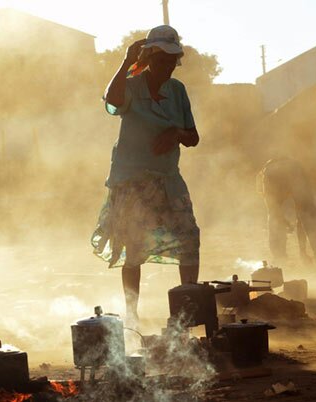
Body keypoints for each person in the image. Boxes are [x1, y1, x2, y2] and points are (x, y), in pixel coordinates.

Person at [91, 25, 200, 321]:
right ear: (149, 58)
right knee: (134, 246)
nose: (168, 66)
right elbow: (112, 102)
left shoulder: (177, 91)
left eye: (172, 60)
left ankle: (188, 311)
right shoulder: (132, 84)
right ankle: (132, 314)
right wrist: (126, 61)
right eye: (162, 59)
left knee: (188, 239)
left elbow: (193, 136)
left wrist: (175, 132)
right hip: (132, 180)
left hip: (168, 179)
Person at [258, 157, 316, 262]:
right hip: (293, 169)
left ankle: (279, 257)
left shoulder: (265, 176)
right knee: (307, 212)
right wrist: (303, 252)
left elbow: (275, 211)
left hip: (273, 172)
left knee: (274, 216)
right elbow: (303, 216)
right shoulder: (295, 168)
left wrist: (302, 252)